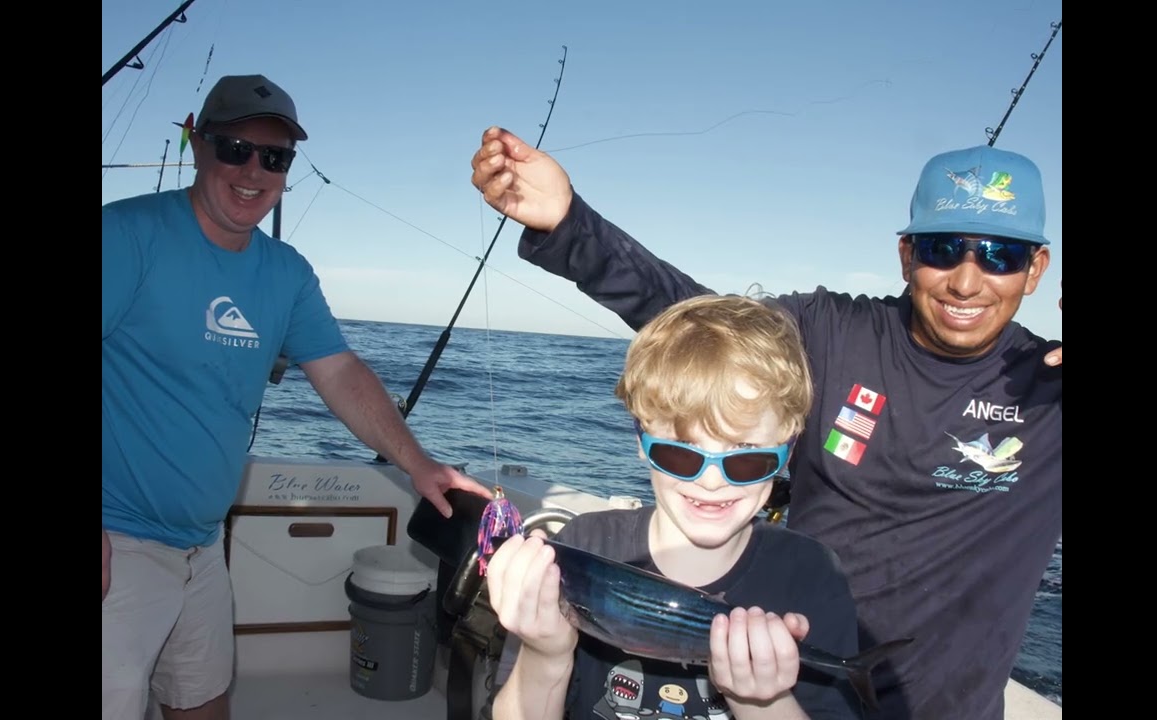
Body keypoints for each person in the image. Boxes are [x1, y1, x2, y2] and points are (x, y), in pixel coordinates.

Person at [470, 127, 1061, 720]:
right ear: (907, 255)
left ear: (1035, 269)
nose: (966, 281)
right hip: (786, 671)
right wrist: (570, 225)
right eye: (942, 248)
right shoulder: (829, 332)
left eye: (1001, 256)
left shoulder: (1053, 390)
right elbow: (703, 327)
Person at [101, 74, 490, 720]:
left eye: (275, 157)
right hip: (120, 541)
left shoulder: (286, 273)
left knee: (203, 703)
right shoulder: (124, 235)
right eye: (235, 149)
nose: (253, 171)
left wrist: (418, 464)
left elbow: (341, 374)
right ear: (198, 143)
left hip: (201, 547)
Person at [486, 293, 865, 720]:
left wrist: (763, 702)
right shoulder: (582, 545)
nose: (712, 481)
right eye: (680, 453)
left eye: (747, 458)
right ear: (641, 441)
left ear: (788, 451)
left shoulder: (812, 575)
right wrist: (545, 654)